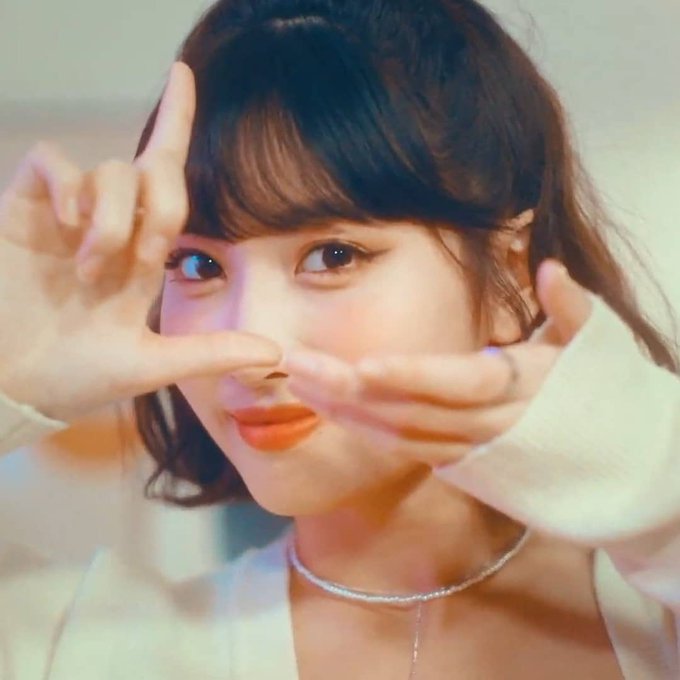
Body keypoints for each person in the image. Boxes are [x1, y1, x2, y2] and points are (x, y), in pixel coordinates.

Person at [0, 0, 678, 677]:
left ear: (510, 276)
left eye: (333, 256)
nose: (253, 348)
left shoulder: (658, 612)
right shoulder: (78, 649)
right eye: (199, 265)